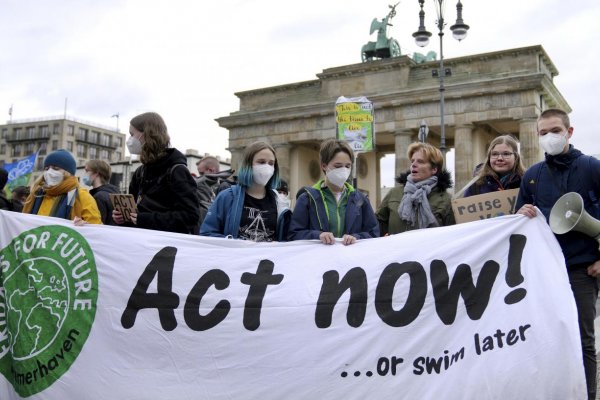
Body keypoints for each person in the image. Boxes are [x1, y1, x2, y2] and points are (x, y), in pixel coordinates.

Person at [516, 108, 600, 400]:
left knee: (583, 340)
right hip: (545, 271)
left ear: (569, 132)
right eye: (542, 133)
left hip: (581, 268)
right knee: (547, 339)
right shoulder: (532, 176)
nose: (548, 137)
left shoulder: (591, 167)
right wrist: (520, 212)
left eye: (554, 131)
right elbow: (518, 220)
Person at [112, 112, 200, 234]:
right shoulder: (140, 172)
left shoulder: (177, 170)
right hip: (141, 243)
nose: (130, 140)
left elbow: (190, 216)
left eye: (132, 134)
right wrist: (123, 218)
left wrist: (145, 219)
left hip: (166, 247)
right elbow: (135, 216)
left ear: (147, 134)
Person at [288, 138, 379, 245]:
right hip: (320, 259)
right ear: (324, 166)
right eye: (338, 166)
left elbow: (374, 233)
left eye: (347, 166)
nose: (344, 170)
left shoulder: (361, 200)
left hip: (350, 259)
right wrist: (318, 236)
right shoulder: (307, 198)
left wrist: (356, 237)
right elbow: (294, 234)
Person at [200, 141, 291, 242]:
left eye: (271, 163)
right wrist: (231, 243)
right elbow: (207, 233)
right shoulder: (227, 197)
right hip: (236, 257)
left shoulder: (280, 203)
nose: (267, 167)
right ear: (248, 165)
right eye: (261, 162)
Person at [376, 142, 455, 235]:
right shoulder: (394, 193)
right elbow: (376, 224)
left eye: (420, 161)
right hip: (396, 248)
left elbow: (452, 235)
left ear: (434, 169)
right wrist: (383, 236)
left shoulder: (446, 199)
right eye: (412, 161)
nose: (414, 164)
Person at [22, 149, 101, 224]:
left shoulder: (79, 196)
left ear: (68, 173)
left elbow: (95, 229)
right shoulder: (37, 194)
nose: (49, 172)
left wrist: (84, 226)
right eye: (46, 169)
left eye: (55, 168)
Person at [195, 155, 235, 225]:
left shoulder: (224, 187)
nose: (199, 177)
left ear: (211, 170)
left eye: (201, 173)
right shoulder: (208, 185)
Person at [83, 159, 120, 225]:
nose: (84, 174)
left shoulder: (98, 197)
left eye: (87, 171)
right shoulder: (114, 193)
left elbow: (96, 224)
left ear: (96, 173)